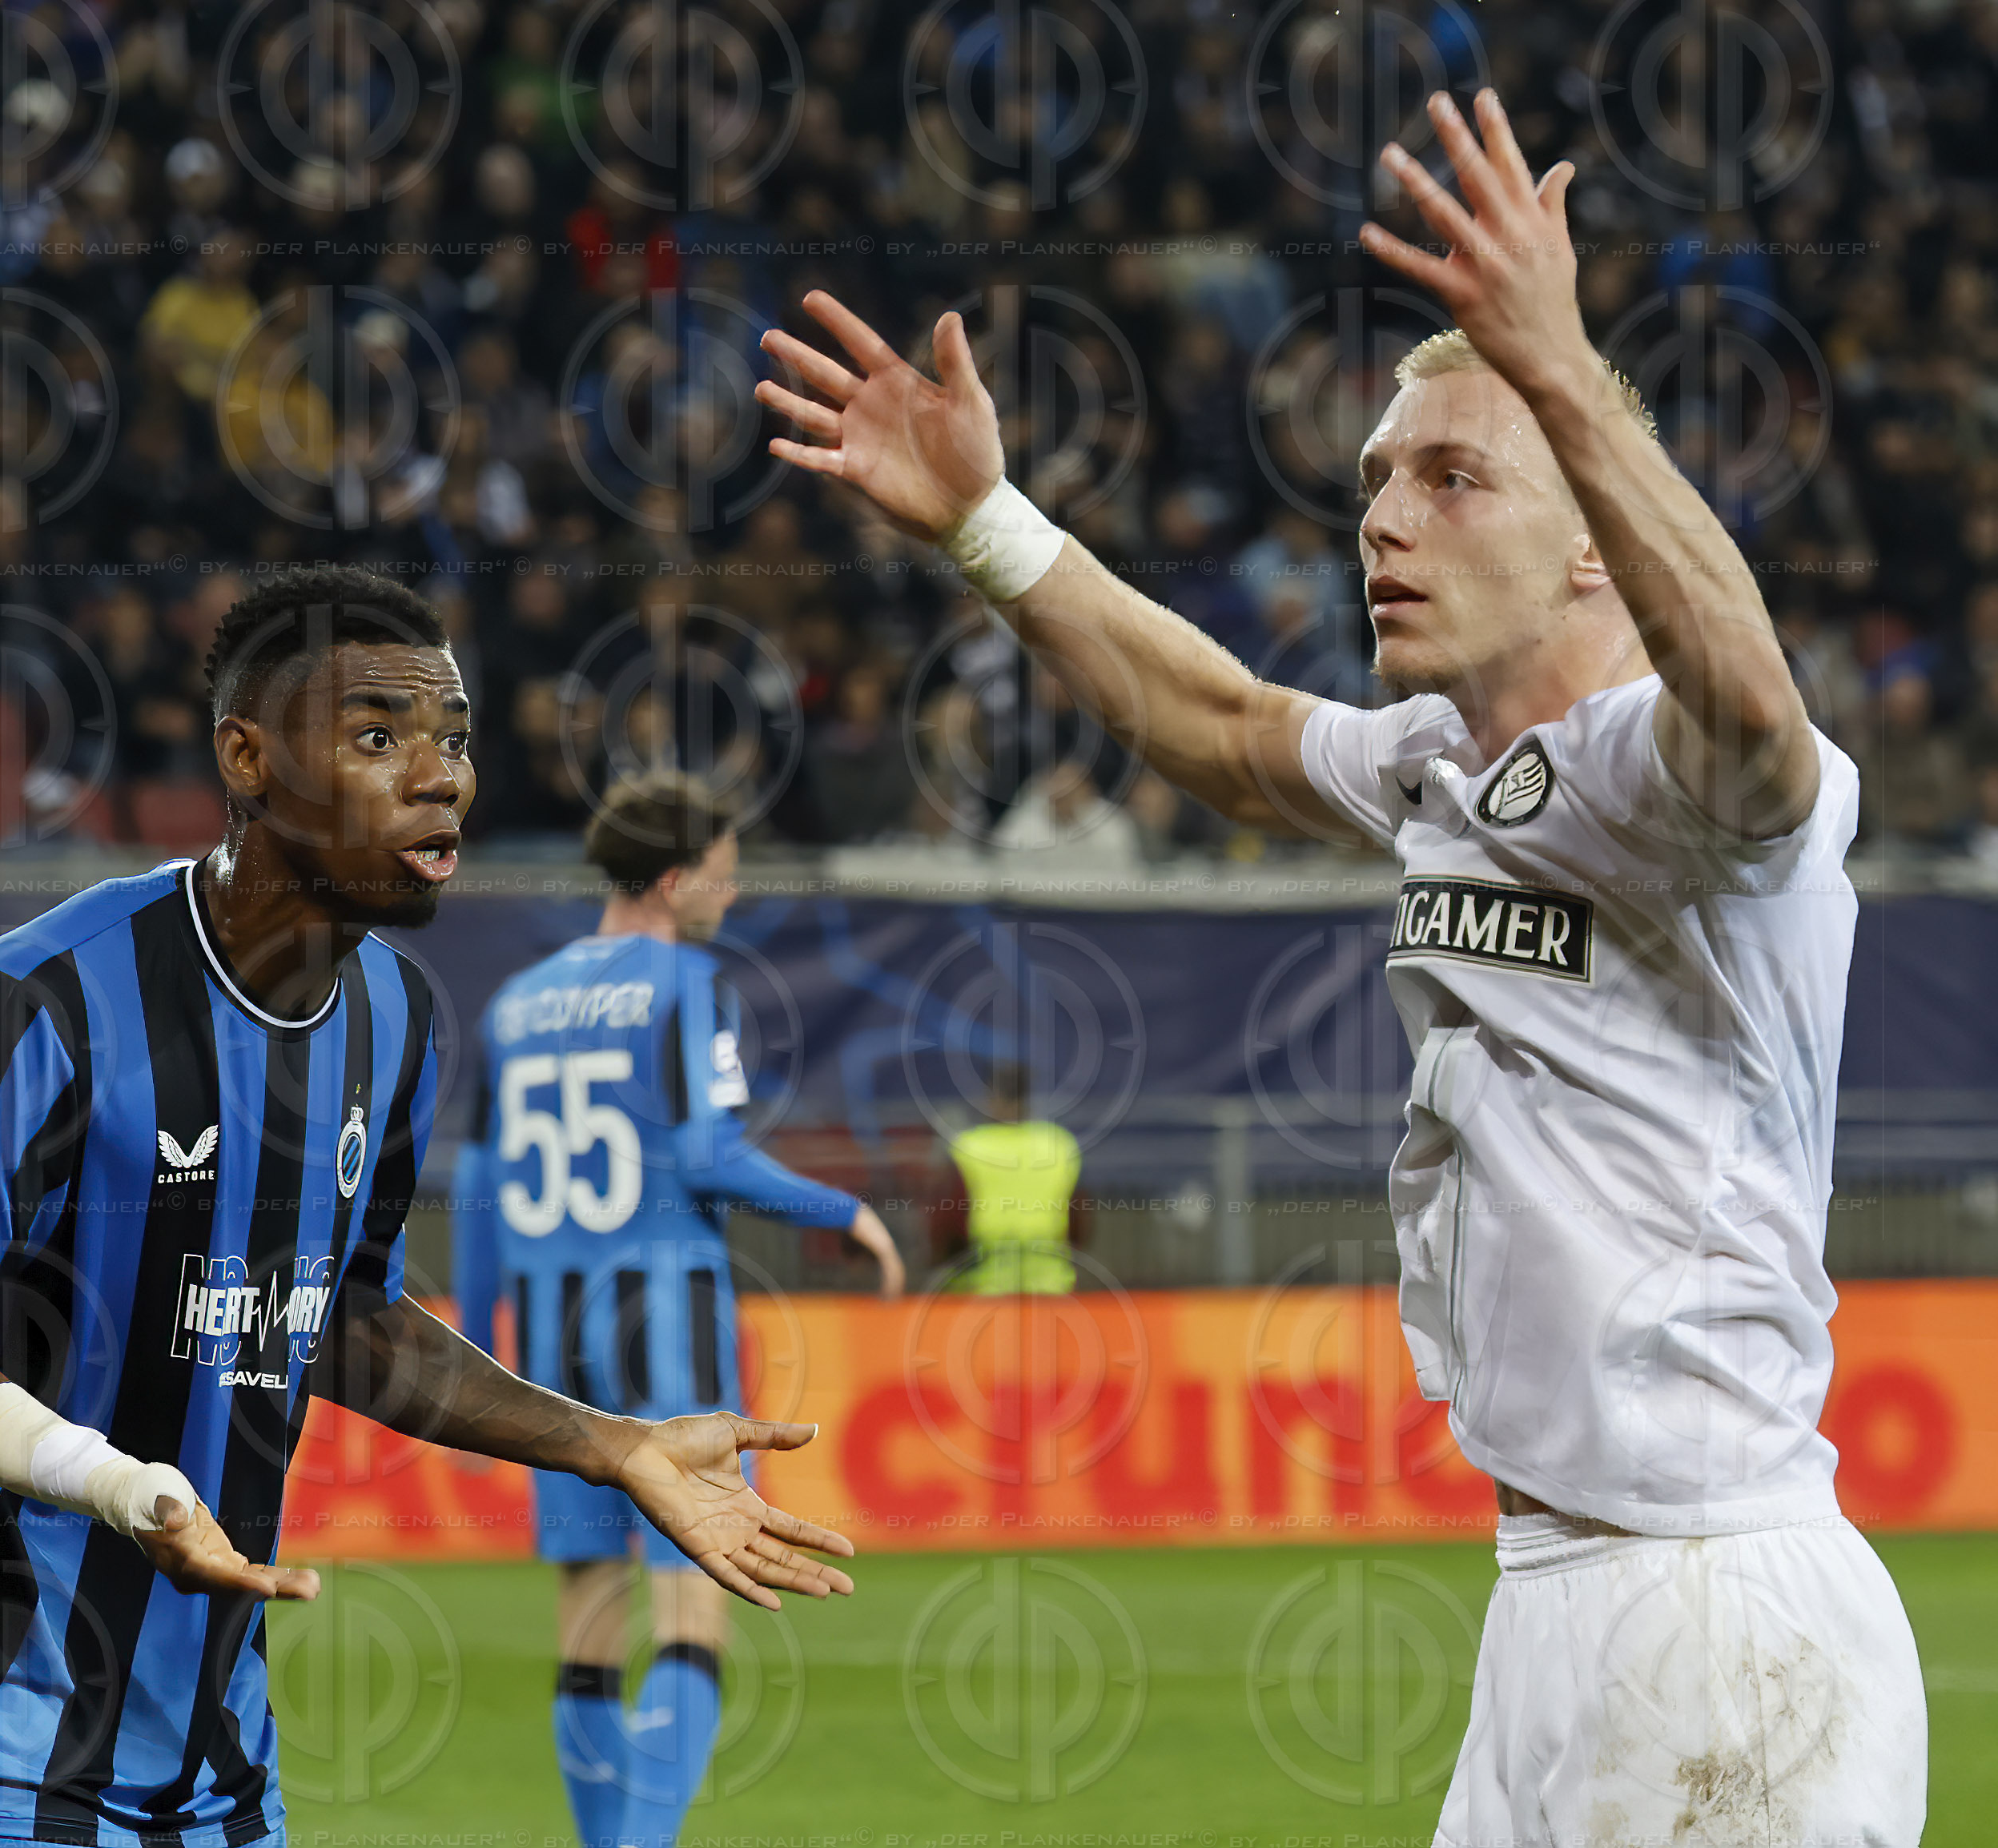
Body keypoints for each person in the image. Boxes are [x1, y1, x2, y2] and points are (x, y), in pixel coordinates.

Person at [755, 89, 1924, 1846]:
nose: (1386, 518)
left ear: (1595, 537)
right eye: (1377, 479)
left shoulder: (1682, 781)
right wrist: (990, 524)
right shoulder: (1439, 764)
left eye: (1453, 477)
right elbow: (1224, 725)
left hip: (1715, 1603)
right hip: (1552, 1598)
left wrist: (1558, 361)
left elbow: (1754, 706)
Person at [0, 567, 854, 1848]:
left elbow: (346, 1319)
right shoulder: (44, 997)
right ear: (248, 759)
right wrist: (114, 1483)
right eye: (378, 737)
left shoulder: (397, 1022)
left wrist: (609, 1445)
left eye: (454, 739)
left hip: (214, 1765)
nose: (440, 776)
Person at [453, 769, 903, 1848]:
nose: (731, 895)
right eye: (722, 874)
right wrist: (841, 1209)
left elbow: (476, 1188)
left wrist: (473, 1352)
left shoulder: (516, 1004)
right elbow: (706, 1154)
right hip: (668, 1323)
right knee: (695, 1598)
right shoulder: (686, 987)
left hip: (552, 1342)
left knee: (589, 1610)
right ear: (672, 878)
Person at [940, 1062, 1083, 1295]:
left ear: (992, 1098)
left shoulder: (969, 1146)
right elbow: (1078, 1216)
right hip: (1051, 1282)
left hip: (983, 1283)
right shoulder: (1059, 1144)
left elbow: (948, 1221)